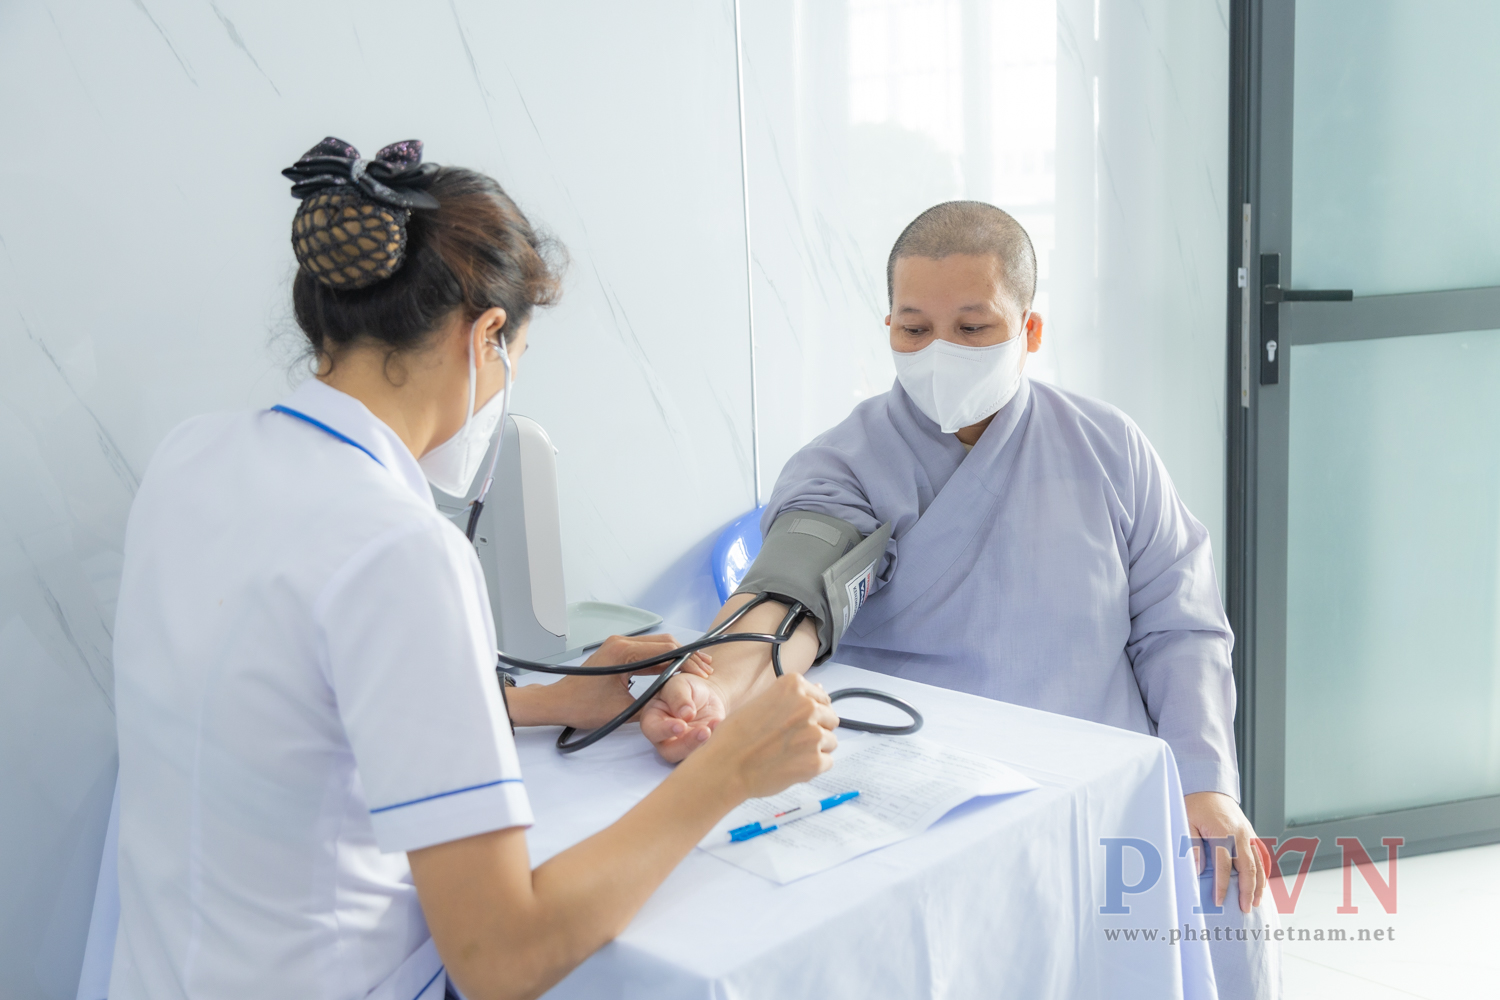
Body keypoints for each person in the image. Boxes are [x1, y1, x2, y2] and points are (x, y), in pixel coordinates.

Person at [108, 137, 839, 1000]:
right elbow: (501, 957)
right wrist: (733, 770)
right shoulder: (401, 549)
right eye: (517, 358)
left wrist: (548, 701)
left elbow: (295, 714)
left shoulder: (191, 458)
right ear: (487, 336)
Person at [638, 201, 1281, 999]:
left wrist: (1203, 780)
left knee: (1222, 890)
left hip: (1103, 785)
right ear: (889, 329)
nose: (940, 352)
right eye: (914, 330)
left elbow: (1180, 625)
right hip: (931, 797)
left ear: (1029, 330)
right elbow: (793, 593)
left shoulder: (1109, 447)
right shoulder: (845, 466)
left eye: (973, 329)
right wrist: (715, 681)